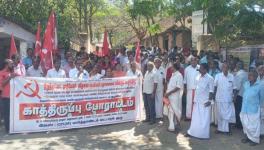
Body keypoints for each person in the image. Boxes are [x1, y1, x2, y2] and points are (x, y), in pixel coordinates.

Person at [186, 63, 214, 139]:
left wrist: (209, 100)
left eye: (201, 68)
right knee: (195, 118)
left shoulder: (210, 78)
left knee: (204, 119)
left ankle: (202, 135)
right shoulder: (198, 76)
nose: (199, 70)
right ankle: (192, 132)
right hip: (197, 100)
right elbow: (197, 88)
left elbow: (211, 91)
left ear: (205, 69)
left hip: (205, 102)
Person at [240, 69, 263, 146]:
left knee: (253, 126)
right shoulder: (246, 84)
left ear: (256, 76)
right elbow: (245, 94)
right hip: (244, 108)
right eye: (248, 75)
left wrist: (261, 109)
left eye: (251, 75)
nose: (249, 77)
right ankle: (247, 137)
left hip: (253, 109)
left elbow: (262, 99)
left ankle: (254, 140)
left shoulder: (260, 85)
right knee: (245, 124)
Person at [214, 63, 237, 134]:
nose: (225, 69)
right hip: (219, 99)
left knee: (228, 115)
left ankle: (228, 130)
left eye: (227, 68)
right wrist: (214, 97)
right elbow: (215, 87)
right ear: (221, 68)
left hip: (228, 100)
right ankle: (220, 129)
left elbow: (235, 88)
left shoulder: (232, 76)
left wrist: (234, 97)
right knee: (219, 115)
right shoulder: (217, 76)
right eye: (224, 67)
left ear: (228, 68)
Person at [0, 59, 19, 132]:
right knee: (7, 114)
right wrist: (10, 77)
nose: (13, 65)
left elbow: (23, 79)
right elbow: (2, 84)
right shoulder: (1, 73)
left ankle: (14, 128)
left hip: (14, 97)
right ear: (6, 65)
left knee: (14, 114)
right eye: (11, 63)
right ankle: (8, 130)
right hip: (5, 97)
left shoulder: (13, 73)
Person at [165, 63, 184, 131]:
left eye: (171, 67)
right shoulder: (173, 75)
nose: (170, 68)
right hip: (170, 96)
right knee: (171, 111)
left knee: (174, 111)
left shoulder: (179, 75)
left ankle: (174, 126)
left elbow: (178, 87)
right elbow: (170, 85)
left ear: (175, 68)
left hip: (175, 97)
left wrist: (169, 93)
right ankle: (172, 126)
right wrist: (167, 92)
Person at [234, 61, 248, 129]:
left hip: (239, 95)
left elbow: (237, 87)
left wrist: (234, 97)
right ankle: (242, 124)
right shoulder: (246, 73)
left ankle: (238, 124)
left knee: (238, 110)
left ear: (238, 67)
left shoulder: (239, 74)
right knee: (242, 110)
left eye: (236, 66)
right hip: (245, 94)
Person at [257, 65, 264, 136]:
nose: (260, 71)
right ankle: (258, 133)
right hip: (256, 103)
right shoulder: (257, 78)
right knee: (257, 119)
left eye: (262, 70)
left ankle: (261, 133)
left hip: (263, 103)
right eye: (259, 70)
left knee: (262, 119)